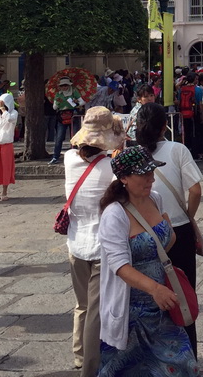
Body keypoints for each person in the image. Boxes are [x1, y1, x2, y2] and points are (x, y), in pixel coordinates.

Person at [96, 147, 199, 376]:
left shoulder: (155, 198)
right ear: (124, 178)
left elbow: (167, 236)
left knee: (183, 365)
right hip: (131, 309)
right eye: (143, 174)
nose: (151, 178)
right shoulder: (114, 214)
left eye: (151, 171)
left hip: (162, 303)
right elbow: (120, 267)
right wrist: (154, 288)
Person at [134, 102, 203, 355]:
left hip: (142, 234)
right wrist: (188, 215)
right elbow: (195, 189)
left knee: (150, 297)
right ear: (165, 126)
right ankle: (187, 355)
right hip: (179, 229)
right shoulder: (177, 150)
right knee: (182, 294)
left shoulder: (130, 155)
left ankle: (155, 357)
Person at [64, 107, 124, 376]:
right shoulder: (111, 166)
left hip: (75, 243)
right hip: (101, 246)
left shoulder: (68, 159)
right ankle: (91, 363)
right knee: (96, 311)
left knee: (82, 305)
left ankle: (78, 353)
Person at [52, 77, 86, 164]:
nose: (64, 87)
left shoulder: (74, 92)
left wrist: (76, 102)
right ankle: (55, 156)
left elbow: (82, 102)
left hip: (73, 116)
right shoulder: (58, 94)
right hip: (62, 117)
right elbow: (54, 107)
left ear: (69, 85)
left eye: (66, 85)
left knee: (74, 136)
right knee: (59, 137)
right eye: (62, 86)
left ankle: (75, 155)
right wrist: (57, 102)